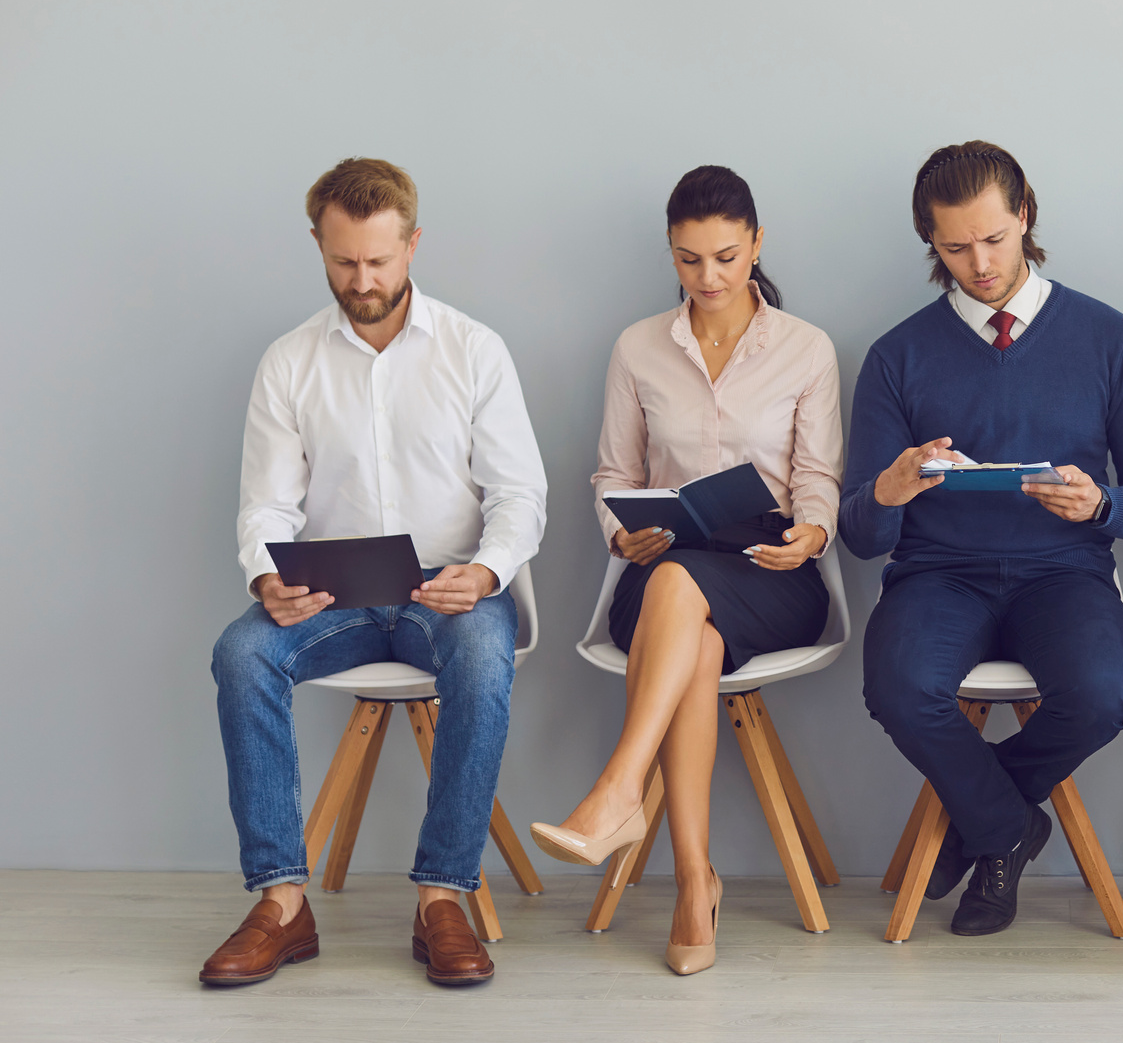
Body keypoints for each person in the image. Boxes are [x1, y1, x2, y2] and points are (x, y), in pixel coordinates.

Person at [202, 158, 548, 987]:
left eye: (380, 262)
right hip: (335, 590)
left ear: (413, 243)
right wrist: (264, 577)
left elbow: (520, 494)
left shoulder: (474, 349)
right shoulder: (288, 363)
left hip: (448, 585)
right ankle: (282, 901)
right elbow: (266, 506)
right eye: (344, 262)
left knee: (478, 655)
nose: (363, 280)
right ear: (319, 246)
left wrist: (488, 572)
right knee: (240, 654)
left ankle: (441, 899)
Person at [842, 140, 1123, 937]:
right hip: (937, 576)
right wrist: (891, 486)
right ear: (930, 242)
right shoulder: (897, 356)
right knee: (897, 686)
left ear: (1024, 214)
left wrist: (1101, 506)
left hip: (1064, 573)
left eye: (994, 238)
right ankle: (1007, 830)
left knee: (1103, 693)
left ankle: (980, 822)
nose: (980, 263)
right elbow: (861, 532)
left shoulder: (1110, 338)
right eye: (955, 247)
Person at [528, 166, 840, 976]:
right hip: (663, 565)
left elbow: (818, 478)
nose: (710, 278)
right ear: (670, 254)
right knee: (686, 621)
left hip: (771, 570)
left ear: (757, 244)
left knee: (687, 598)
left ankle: (618, 793)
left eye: (728, 257)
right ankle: (693, 881)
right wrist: (617, 530)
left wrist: (809, 534)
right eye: (690, 260)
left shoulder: (806, 348)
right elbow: (611, 475)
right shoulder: (638, 347)